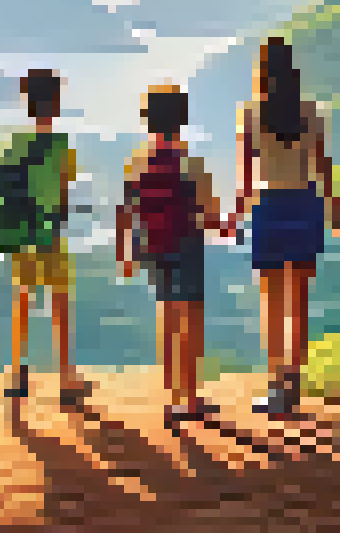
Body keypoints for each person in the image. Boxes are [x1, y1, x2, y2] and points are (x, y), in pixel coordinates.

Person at [230, 35, 340, 419]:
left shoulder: (251, 114)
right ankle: (293, 382)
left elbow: (246, 179)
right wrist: (333, 212)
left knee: (273, 305)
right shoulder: (312, 112)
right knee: (300, 304)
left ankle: (276, 386)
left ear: (262, 73)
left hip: (269, 207)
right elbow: (323, 166)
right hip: (306, 204)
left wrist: (235, 218)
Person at [116, 82, 234, 424]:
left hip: (152, 244)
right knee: (191, 320)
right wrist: (225, 227)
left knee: (167, 315)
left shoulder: (136, 162)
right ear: (181, 119)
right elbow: (208, 215)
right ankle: (191, 398)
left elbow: (126, 210)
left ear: (148, 119)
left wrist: (125, 252)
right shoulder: (191, 162)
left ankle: (172, 397)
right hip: (187, 243)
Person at [0, 68, 93, 405]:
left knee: (23, 299)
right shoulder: (60, 144)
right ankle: (66, 377)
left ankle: (18, 372)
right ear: (56, 102)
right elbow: (64, 188)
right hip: (50, 232)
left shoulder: (15, 144)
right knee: (60, 301)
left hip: (23, 233)